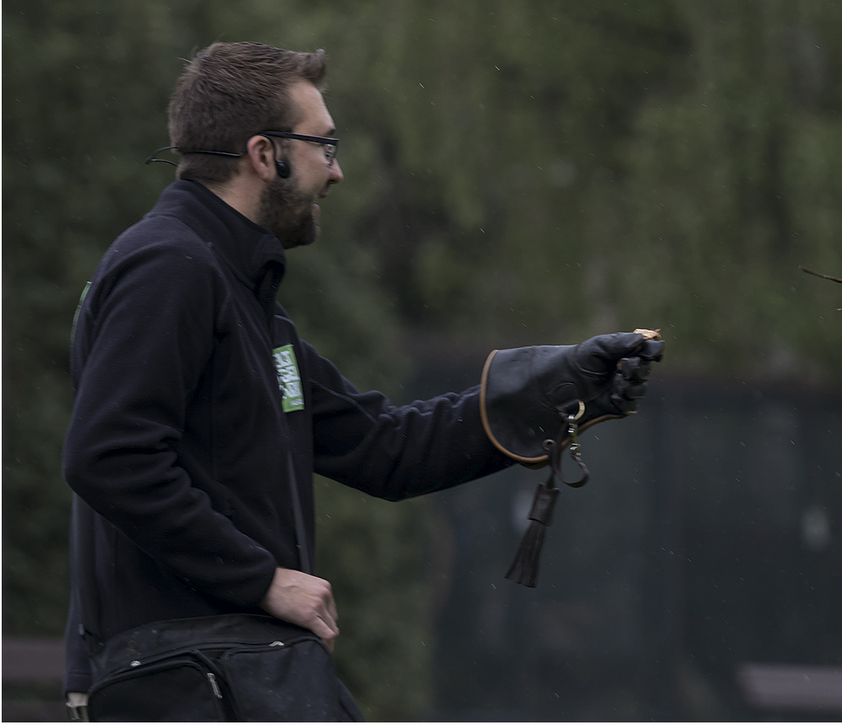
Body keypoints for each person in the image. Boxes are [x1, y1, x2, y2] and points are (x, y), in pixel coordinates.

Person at [60, 42, 659, 718]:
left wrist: (559, 389)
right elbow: (108, 456)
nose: (337, 172)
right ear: (265, 154)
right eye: (325, 145)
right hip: (184, 677)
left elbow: (384, 448)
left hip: (238, 669)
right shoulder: (171, 267)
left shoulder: (244, 298)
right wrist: (261, 580)